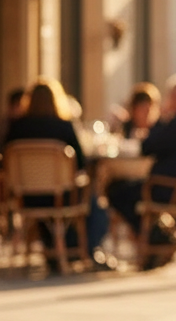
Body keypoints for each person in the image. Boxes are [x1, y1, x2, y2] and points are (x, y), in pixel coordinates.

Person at [106, 72, 176, 268]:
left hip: (172, 189)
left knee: (117, 190)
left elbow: (148, 146)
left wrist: (164, 117)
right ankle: (158, 239)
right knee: (130, 191)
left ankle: (157, 239)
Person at [2, 78, 108, 269]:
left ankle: (57, 249)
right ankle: (86, 250)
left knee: (51, 207)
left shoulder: (17, 128)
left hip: (26, 198)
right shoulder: (63, 127)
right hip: (61, 197)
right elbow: (80, 163)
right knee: (94, 204)